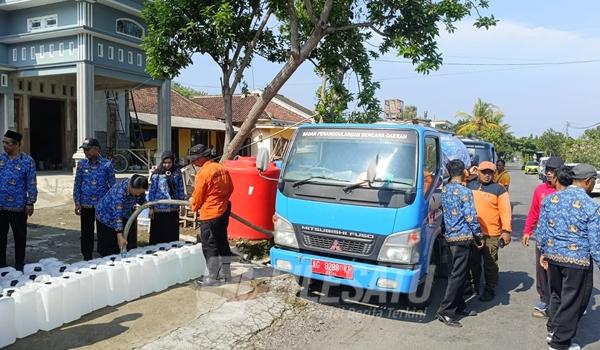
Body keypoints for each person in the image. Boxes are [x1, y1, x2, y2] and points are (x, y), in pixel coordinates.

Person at [537, 164, 599, 350]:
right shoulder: (590, 206)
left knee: (556, 295)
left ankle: (552, 331)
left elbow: (541, 230)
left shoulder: (551, 199)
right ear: (588, 181)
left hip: (554, 258)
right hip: (577, 261)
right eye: (594, 181)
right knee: (574, 302)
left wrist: (544, 253)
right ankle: (560, 343)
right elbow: (596, 242)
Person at [436, 159, 483, 328]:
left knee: (458, 274)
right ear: (464, 172)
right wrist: (479, 236)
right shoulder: (465, 192)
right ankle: (445, 310)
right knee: (457, 276)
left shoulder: (445, 189)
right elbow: (470, 217)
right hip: (463, 238)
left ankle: (459, 305)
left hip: (450, 237)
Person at [522, 156, 565, 318]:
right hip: (542, 239)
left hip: (560, 242)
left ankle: (558, 301)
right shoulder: (540, 190)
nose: (549, 173)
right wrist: (527, 231)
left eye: (553, 171)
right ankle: (544, 299)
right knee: (542, 271)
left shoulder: (566, 191)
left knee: (557, 272)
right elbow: (533, 213)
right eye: (547, 170)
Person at [188, 144, 234, 286]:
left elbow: (198, 195)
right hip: (224, 210)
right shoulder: (221, 168)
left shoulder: (203, 173)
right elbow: (231, 188)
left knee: (209, 245)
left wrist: (193, 206)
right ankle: (227, 274)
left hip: (210, 213)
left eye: (195, 159)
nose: (193, 162)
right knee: (222, 242)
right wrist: (222, 200)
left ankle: (212, 277)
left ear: (202, 158)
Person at [467, 161, 512, 302]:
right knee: (473, 262)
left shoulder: (499, 189)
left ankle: (490, 289)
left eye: (490, 172)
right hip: (473, 232)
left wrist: (506, 231)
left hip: (492, 233)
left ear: (494, 174)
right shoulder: (470, 185)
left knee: (490, 263)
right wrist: (469, 173)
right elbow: (455, 179)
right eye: (484, 172)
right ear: (478, 172)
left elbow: (505, 211)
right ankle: (474, 286)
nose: (487, 175)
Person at [73, 138, 116, 260]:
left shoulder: (107, 165)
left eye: (87, 150)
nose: (86, 152)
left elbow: (112, 186)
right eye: (85, 150)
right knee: (86, 232)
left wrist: (111, 204)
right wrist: (77, 202)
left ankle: (103, 255)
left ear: (96, 150)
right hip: (86, 205)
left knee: (103, 232)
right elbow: (77, 184)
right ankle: (87, 256)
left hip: (101, 205)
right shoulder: (82, 165)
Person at [0, 130, 37, 271]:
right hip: (1, 206)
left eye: (7, 143)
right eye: (3, 142)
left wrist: (30, 202)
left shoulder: (27, 161)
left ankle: (19, 264)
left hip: (19, 206)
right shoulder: (1, 159)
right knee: (1, 237)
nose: (4, 145)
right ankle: (2, 265)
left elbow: (31, 183)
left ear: (17, 145)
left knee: (19, 237)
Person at [95, 175, 148, 256]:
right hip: (106, 216)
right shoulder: (119, 192)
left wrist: (149, 206)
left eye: (141, 192)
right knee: (110, 247)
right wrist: (119, 235)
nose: (138, 194)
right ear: (131, 186)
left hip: (124, 213)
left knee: (126, 242)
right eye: (137, 192)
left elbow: (142, 199)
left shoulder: (138, 187)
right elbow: (117, 215)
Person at [148, 151, 185, 245]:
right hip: (159, 209)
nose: (167, 165)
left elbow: (180, 188)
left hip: (173, 208)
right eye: (165, 162)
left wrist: (182, 204)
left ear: (173, 161)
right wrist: (151, 207)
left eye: (169, 162)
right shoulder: (157, 174)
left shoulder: (177, 172)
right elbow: (152, 191)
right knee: (158, 234)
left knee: (171, 233)